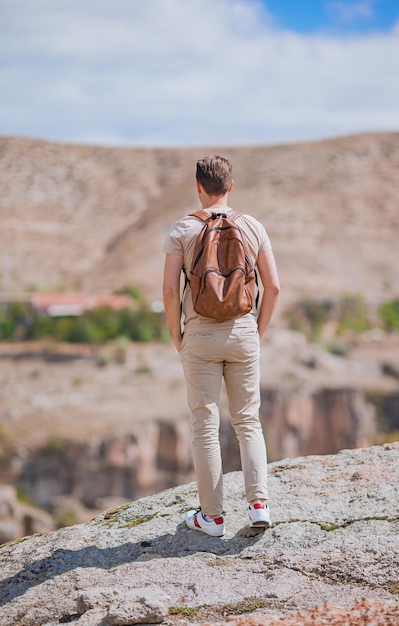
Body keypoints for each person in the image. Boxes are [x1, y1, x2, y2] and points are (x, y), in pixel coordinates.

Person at [162, 155, 280, 537]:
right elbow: (274, 287)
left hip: (198, 336)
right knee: (248, 420)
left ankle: (211, 518)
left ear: (198, 187)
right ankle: (259, 505)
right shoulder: (252, 226)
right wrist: (256, 331)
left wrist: (176, 333)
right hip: (243, 333)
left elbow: (168, 290)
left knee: (205, 426)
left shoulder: (182, 228)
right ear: (231, 186)